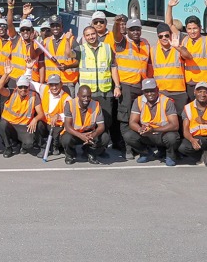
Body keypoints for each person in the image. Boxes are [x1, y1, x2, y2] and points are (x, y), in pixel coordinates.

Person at [75, 22, 121, 154]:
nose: (91, 37)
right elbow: (69, 55)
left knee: (105, 122)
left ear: (97, 34)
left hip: (105, 92)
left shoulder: (107, 48)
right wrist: (67, 41)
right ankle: (87, 146)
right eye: (88, 35)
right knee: (90, 123)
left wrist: (117, 86)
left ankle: (101, 148)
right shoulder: (81, 49)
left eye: (93, 34)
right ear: (84, 37)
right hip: (88, 95)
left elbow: (113, 67)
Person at [167, 0, 207, 94]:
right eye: (189, 29)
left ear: (200, 28)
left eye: (195, 28)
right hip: (189, 84)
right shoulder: (183, 39)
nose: (192, 31)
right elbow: (169, 24)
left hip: (204, 85)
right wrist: (170, 7)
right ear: (186, 29)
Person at [114, 18, 153, 151]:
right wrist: (117, 24)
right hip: (126, 85)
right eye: (132, 29)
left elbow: (149, 64)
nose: (135, 32)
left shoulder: (145, 43)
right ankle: (127, 148)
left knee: (138, 117)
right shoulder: (122, 42)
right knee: (125, 118)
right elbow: (116, 35)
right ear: (127, 30)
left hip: (141, 86)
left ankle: (138, 145)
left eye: (138, 29)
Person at [124, 78, 180, 165]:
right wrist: (140, 129)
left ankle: (170, 156)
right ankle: (146, 153)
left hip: (162, 133)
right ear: (143, 92)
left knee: (172, 137)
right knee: (128, 135)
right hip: (146, 134)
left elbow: (175, 125)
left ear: (157, 89)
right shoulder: (138, 101)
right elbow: (132, 122)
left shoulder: (167, 101)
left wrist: (154, 130)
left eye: (152, 90)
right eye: (146, 91)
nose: (149, 94)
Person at [0, 73, 42, 157]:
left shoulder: (34, 96)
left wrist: (35, 119)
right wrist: (6, 74)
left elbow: (41, 113)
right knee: (2, 124)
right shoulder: (11, 92)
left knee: (29, 144)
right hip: (10, 125)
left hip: (23, 126)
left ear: (29, 87)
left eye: (25, 87)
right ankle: (8, 147)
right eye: (20, 87)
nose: (23, 89)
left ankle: (21, 143)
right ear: (17, 87)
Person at [59, 85, 107, 164]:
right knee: (66, 139)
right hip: (74, 133)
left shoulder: (96, 105)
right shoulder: (70, 104)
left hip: (89, 133)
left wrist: (93, 135)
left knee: (105, 137)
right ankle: (70, 154)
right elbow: (67, 126)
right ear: (78, 95)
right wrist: (81, 136)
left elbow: (101, 126)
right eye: (83, 96)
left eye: (88, 96)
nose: (86, 99)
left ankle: (90, 153)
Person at [151, 23, 187, 119]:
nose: (164, 38)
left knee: (181, 120)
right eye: (161, 36)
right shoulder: (153, 50)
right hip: (161, 91)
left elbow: (188, 56)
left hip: (178, 91)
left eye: (166, 35)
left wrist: (178, 47)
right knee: (164, 119)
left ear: (170, 35)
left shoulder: (177, 48)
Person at [39, 74, 72, 160]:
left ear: (61, 84)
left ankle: (55, 146)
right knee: (38, 125)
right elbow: (30, 83)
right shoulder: (44, 89)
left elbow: (72, 114)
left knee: (57, 137)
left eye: (56, 84)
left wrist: (58, 116)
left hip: (58, 125)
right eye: (51, 85)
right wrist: (29, 68)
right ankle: (43, 147)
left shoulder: (67, 98)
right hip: (46, 122)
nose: (54, 87)